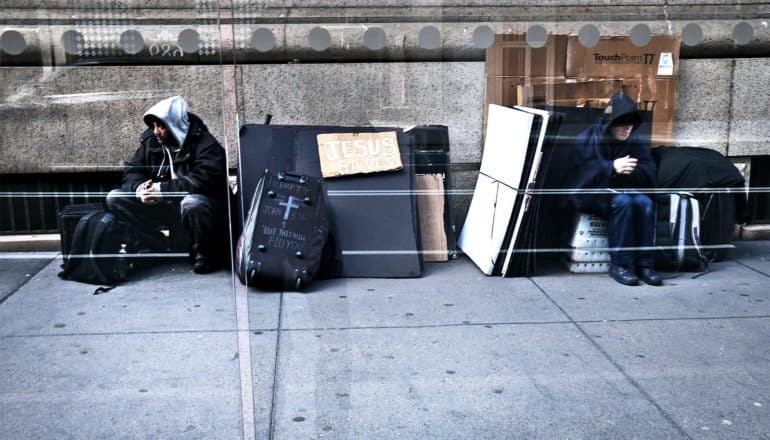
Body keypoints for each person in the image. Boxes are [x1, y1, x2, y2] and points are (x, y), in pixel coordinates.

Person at [106, 96, 228, 274]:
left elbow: (204, 179)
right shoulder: (151, 141)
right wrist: (140, 189)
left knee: (192, 202)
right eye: (154, 126)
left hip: (199, 209)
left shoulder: (206, 144)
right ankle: (151, 246)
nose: (156, 131)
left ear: (175, 125)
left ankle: (204, 254)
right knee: (116, 198)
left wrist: (162, 190)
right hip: (164, 206)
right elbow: (132, 171)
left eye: (161, 126)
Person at [568, 92, 663, 286]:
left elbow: (649, 169)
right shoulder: (589, 139)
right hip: (595, 195)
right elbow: (580, 175)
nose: (627, 129)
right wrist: (611, 167)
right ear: (610, 122)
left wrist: (631, 171)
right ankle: (621, 264)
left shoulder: (634, 141)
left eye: (631, 125)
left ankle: (645, 264)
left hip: (625, 191)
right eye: (622, 124)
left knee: (644, 202)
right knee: (624, 202)